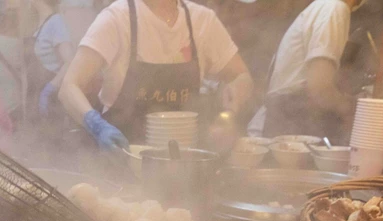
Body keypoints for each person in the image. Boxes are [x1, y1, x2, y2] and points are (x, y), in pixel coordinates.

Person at [58, 0, 253, 149]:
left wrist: (231, 108)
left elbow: (242, 76)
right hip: (122, 157)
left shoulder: (203, 21)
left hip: (184, 164)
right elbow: (69, 86)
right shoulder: (117, 18)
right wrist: (97, 125)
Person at [262, 0, 367, 140]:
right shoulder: (333, 8)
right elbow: (319, 89)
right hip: (295, 122)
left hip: (285, 119)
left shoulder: (324, 6)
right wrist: (351, 109)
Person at [34, 0, 75, 116]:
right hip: (39, 91)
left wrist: (50, 88)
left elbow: (70, 61)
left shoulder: (55, 22)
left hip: (54, 100)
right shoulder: (42, 23)